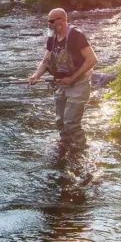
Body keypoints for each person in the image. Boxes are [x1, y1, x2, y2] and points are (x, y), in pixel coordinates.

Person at [28, 8, 98, 151]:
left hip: (79, 83)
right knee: (60, 121)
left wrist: (72, 78)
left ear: (63, 20)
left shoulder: (76, 35)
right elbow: (46, 61)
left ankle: (81, 150)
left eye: (52, 21)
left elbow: (92, 60)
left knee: (71, 122)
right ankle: (65, 147)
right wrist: (36, 75)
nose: (49, 24)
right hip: (61, 84)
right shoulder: (51, 37)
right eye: (48, 21)